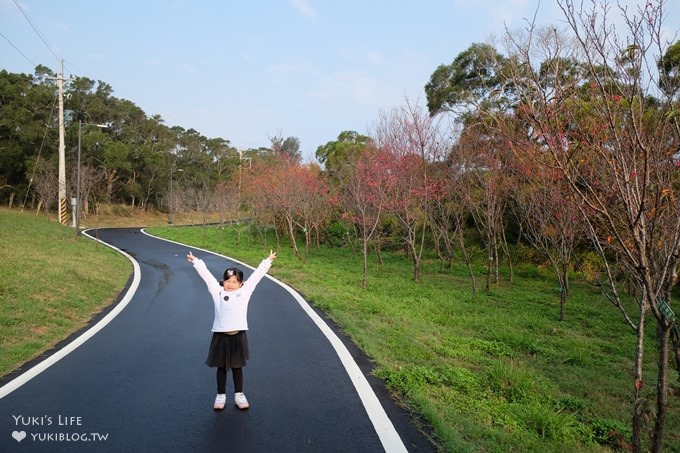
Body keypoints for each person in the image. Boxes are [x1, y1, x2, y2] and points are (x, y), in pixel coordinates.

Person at [187, 249, 277, 411]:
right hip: (220, 337)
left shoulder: (244, 292)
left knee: (237, 367)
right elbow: (206, 276)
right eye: (227, 280)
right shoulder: (218, 292)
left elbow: (256, 277)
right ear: (223, 281)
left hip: (238, 336)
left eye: (234, 281)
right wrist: (197, 262)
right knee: (221, 368)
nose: (230, 284)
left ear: (241, 283)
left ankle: (239, 394)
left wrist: (267, 261)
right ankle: (220, 395)